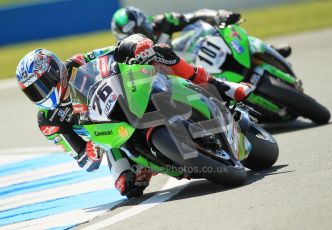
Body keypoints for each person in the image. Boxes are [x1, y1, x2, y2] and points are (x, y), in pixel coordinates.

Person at [15, 35, 251, 198]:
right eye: (33, 91)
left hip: (127, 98)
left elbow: (115, 50)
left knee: (160, 52)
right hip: (110, 138)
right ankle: (148, 165)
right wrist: (89, 150)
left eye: (42, 84)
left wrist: (134, 46)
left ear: (56, 70)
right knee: (127, 187)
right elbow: (83, 161)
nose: (42, 93)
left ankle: (222, 86)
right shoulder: (48, 121)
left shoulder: (77, 63)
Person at [111, 6, 291, 57]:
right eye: (134, 31)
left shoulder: (163, 21)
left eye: (141, 26)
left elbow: (194, 16)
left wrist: (219, 15)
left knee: (229, 32)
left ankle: (268, 50)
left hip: (191, 57)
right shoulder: (128, 52)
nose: (142, 31)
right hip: (175, 77)